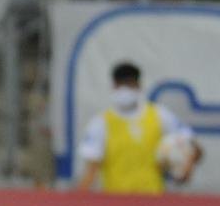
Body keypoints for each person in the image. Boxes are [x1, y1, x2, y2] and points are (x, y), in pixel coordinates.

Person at [77, 61, 202, 194]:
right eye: (121, 85)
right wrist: (78, 202)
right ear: (114, 86)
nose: (125, 90)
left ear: (138, 86)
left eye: (129, 84)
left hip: (152, 201)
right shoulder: (100, 123)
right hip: (115, 201)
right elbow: (91, 171)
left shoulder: (159, 115)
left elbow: (195, 147)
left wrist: (187, 164)